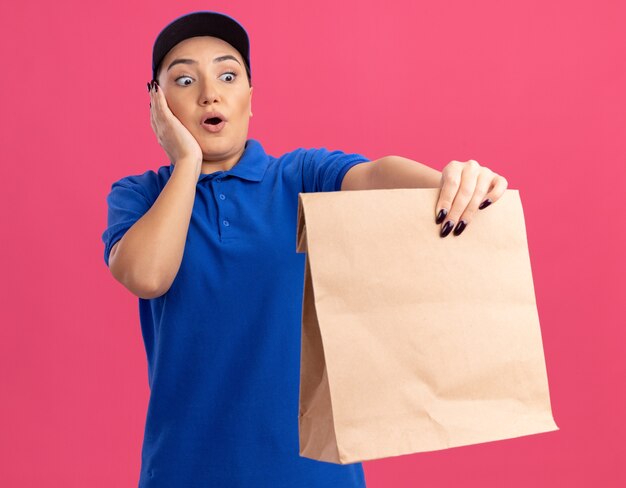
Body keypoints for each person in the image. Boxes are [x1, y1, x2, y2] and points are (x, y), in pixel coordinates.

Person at [102, 10, 508, 488]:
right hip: (184, 472)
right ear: (158, 103)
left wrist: (452, 180)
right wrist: (187, 161)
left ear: (250, 97)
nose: (210, 93)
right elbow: (147, 276)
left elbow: (375, 175)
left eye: (228, 75)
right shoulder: (139, 195)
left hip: (314, 475)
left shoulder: (299, 177)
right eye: (185, 79)